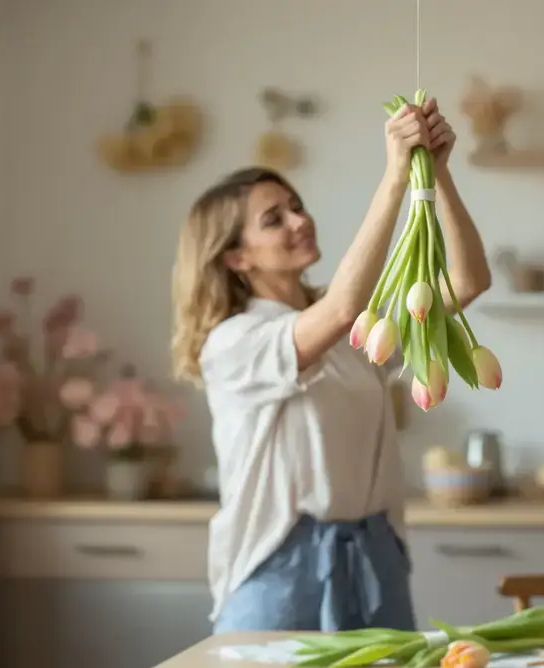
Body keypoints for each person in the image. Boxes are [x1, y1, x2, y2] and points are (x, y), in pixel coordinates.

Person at [170, 98, 492, 633]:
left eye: (297, 205)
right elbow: (340, 309)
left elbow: (469, 280)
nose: (300, 221)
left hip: (373, 557)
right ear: (235, 258)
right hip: (280, 566)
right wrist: (394, 179)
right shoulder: (234, 342)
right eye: (275, 219)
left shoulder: (356, 333)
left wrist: (435, 175)